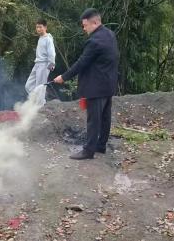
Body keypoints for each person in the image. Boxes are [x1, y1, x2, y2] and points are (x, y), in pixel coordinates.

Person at [53, 8, 119, 160]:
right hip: (108, 84)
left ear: (94, 22)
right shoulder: (110, 34)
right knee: (105, 117)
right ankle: (101, 146)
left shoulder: (94, 41)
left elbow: (82, 62)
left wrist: (63, 77)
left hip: (96, 87)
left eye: (85, 25)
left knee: (93, 120)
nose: (84, 29)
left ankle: (88, 151)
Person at [25, 18, 56, 106]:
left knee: (40, 87)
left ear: (45, 27)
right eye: (37, 27)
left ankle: (40, 107)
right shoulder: (41, 38)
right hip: (37, 64)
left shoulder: (48, 39)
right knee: (28, 85)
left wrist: (51, 65)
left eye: (40, 27)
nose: (38, 29)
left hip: (44, 65)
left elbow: (52, 53)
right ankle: (37, 102)